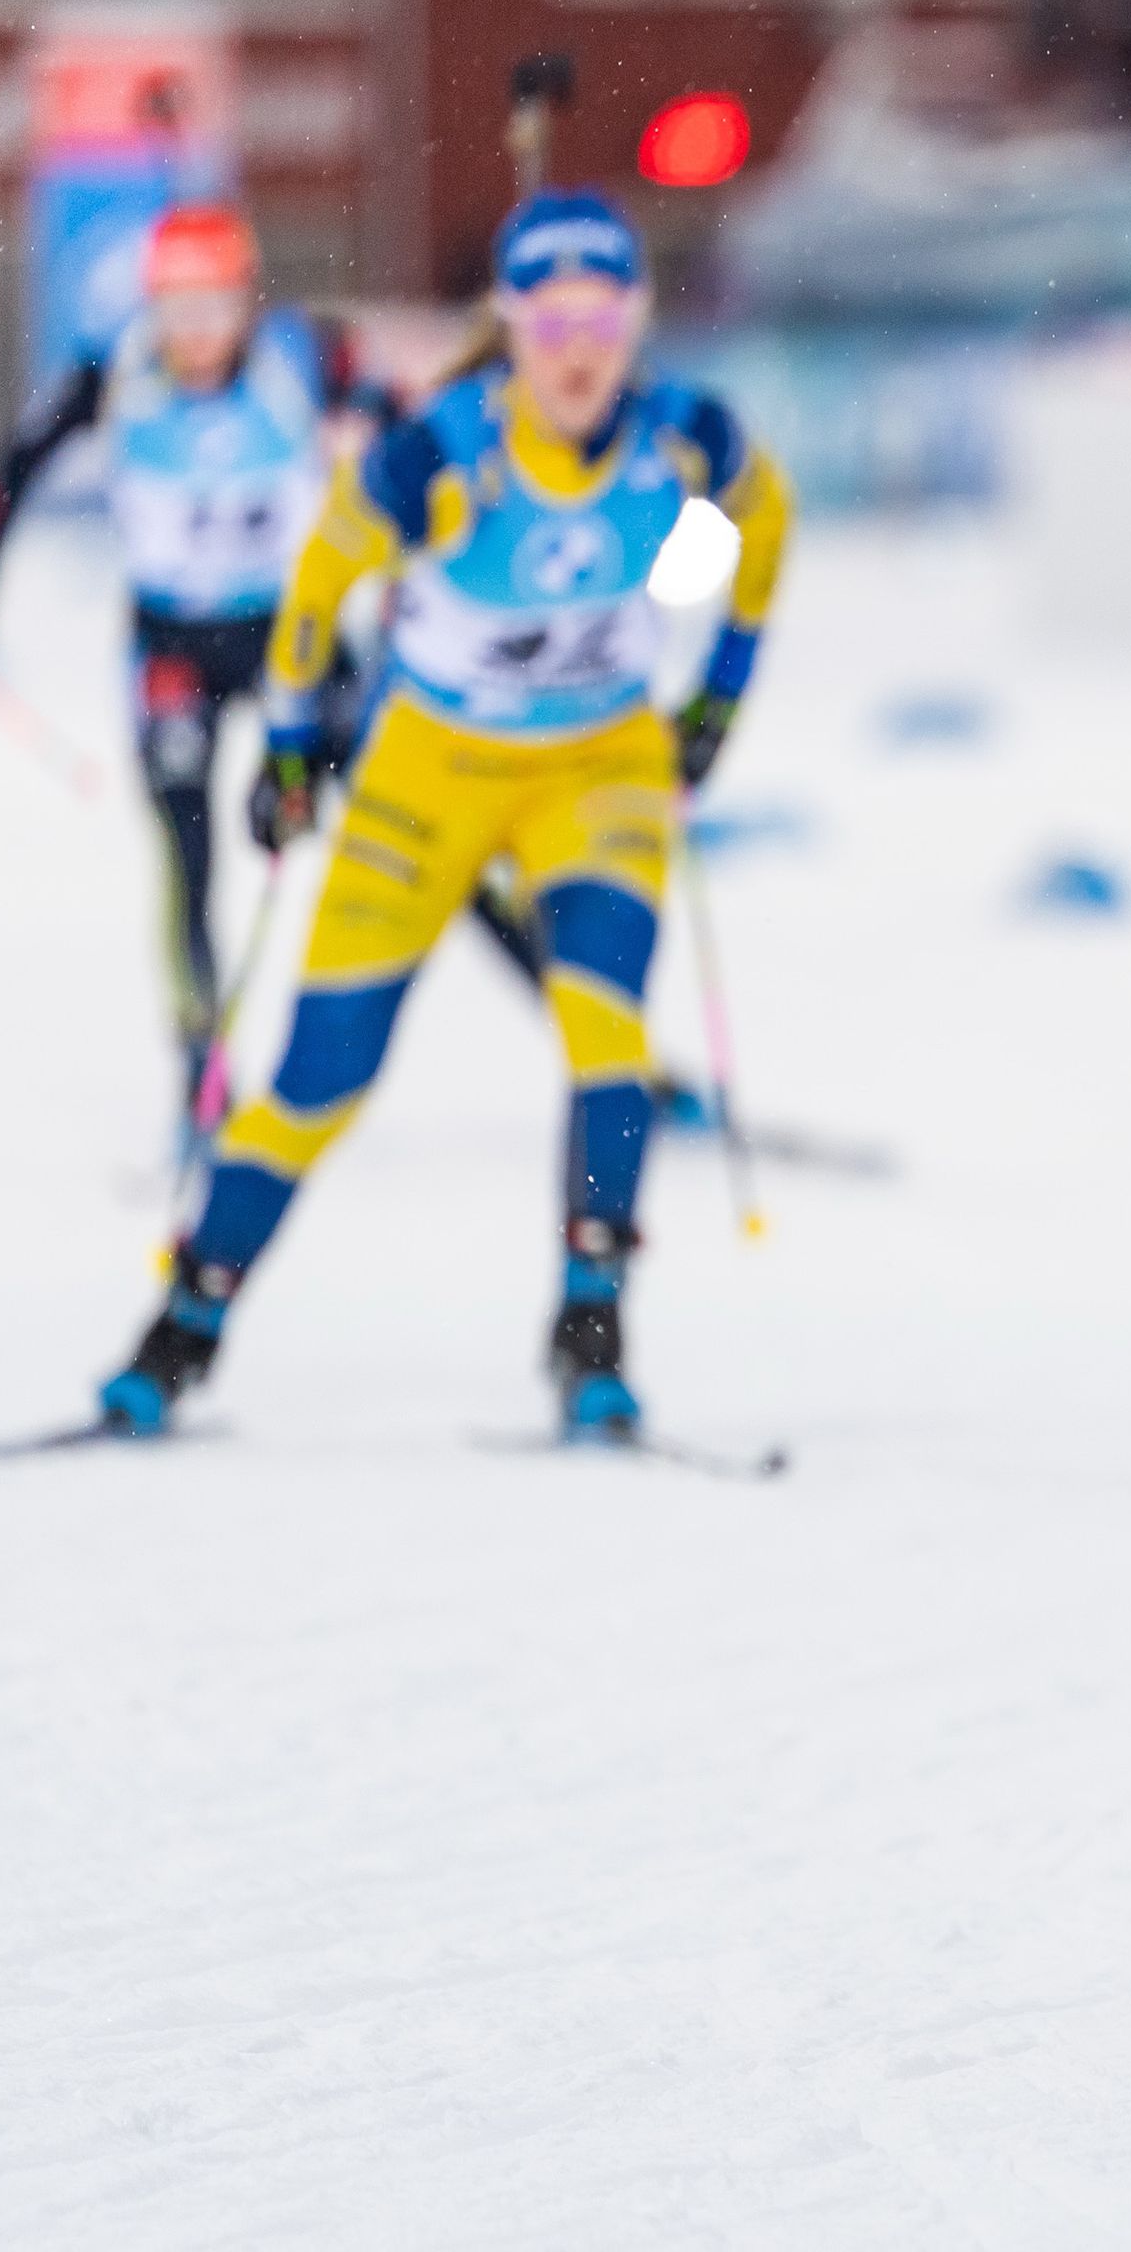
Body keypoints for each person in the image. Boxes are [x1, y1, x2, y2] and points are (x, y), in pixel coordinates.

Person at [93, 189, 791, 1443]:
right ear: (512, 324)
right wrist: (295, 745)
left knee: (605, 1033)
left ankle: (592, 1331)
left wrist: (717, 700)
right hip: (429, 775)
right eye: (552, 316)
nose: (580, 349)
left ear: (635, 322)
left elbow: (766, 518)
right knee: (319, 1082)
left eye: (605, 316)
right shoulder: (445, 454)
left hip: (601, 772)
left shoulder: (681, 439)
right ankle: (183, 1329)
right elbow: (320, 581)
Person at [0, 206, 383, 1113]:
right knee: (188, 856)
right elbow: (12, 473)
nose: (195, 333)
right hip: (175, 649)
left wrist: (375, 436)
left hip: (293, 638)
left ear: (247, 302)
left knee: (411, 817)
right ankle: (201, 1070)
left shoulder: (305, 359)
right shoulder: (113, 375)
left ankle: (597, 1038)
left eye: (214, 306)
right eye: (176, 309)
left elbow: (418, 434)